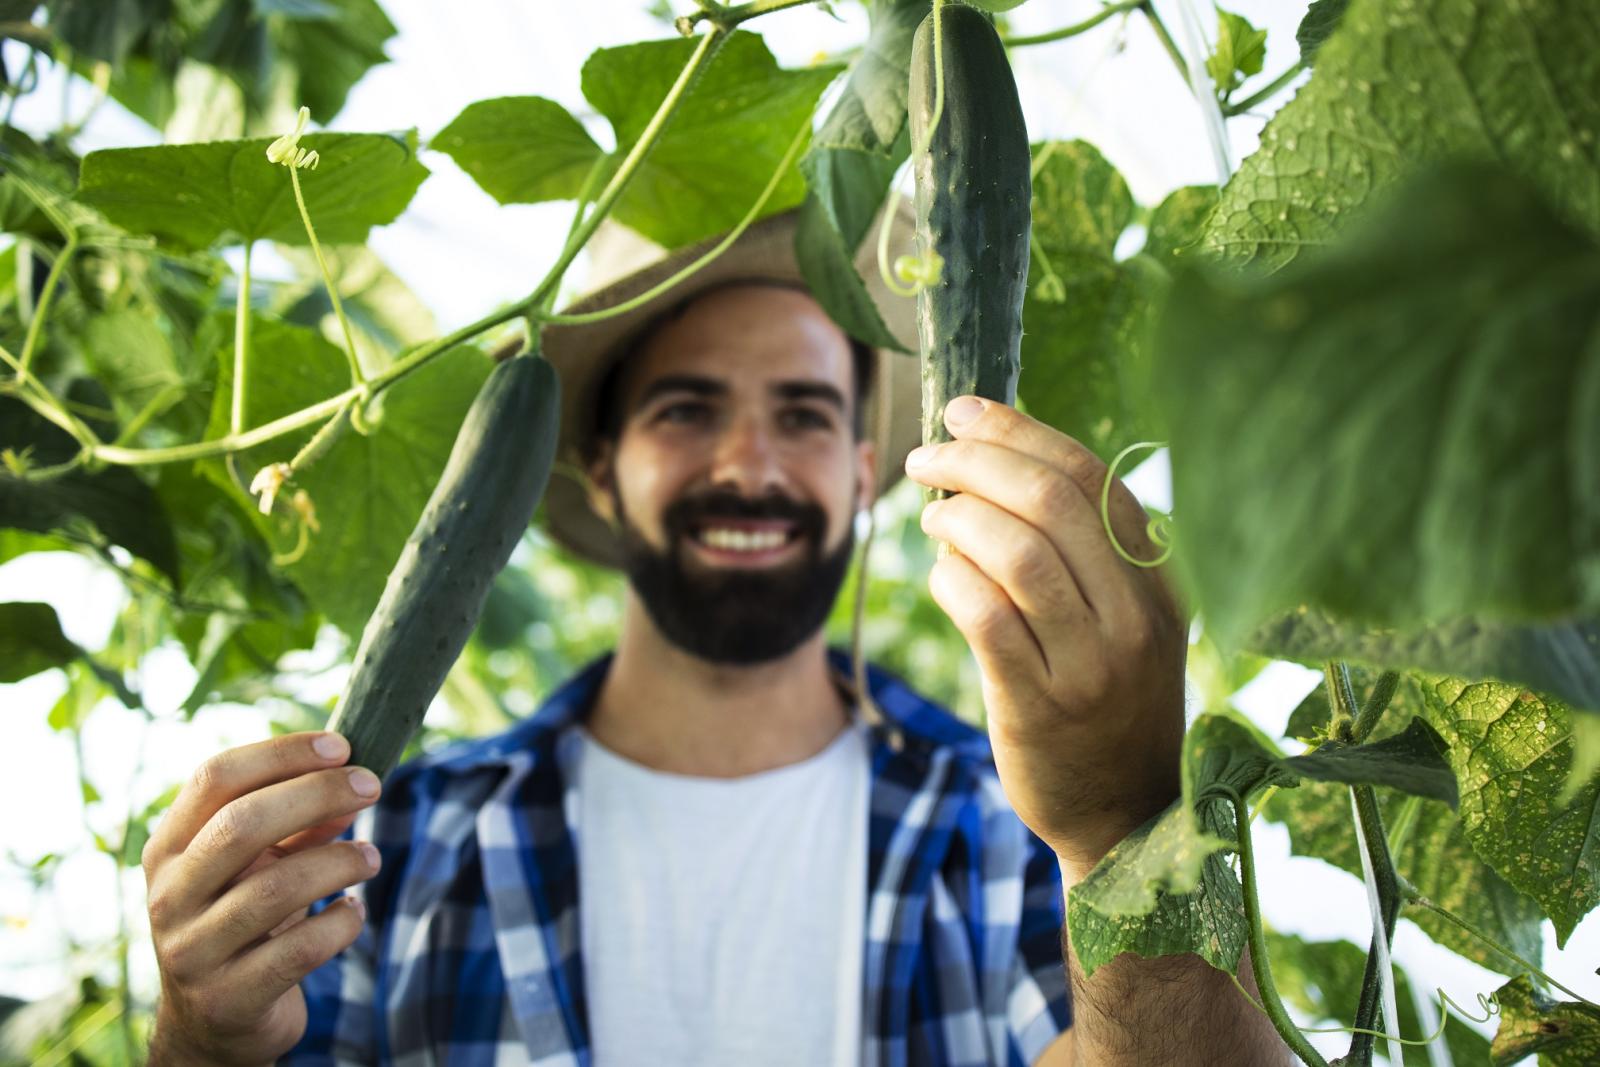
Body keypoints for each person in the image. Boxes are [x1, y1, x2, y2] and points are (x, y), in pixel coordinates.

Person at [141, 209, 1290, 1065]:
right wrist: (198, 1039)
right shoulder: (391, 847)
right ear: (602, 463)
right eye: (687, 408)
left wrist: (1121, 829)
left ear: (860, 469)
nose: (749, 464)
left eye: (802, 413)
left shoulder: (1008, 830)